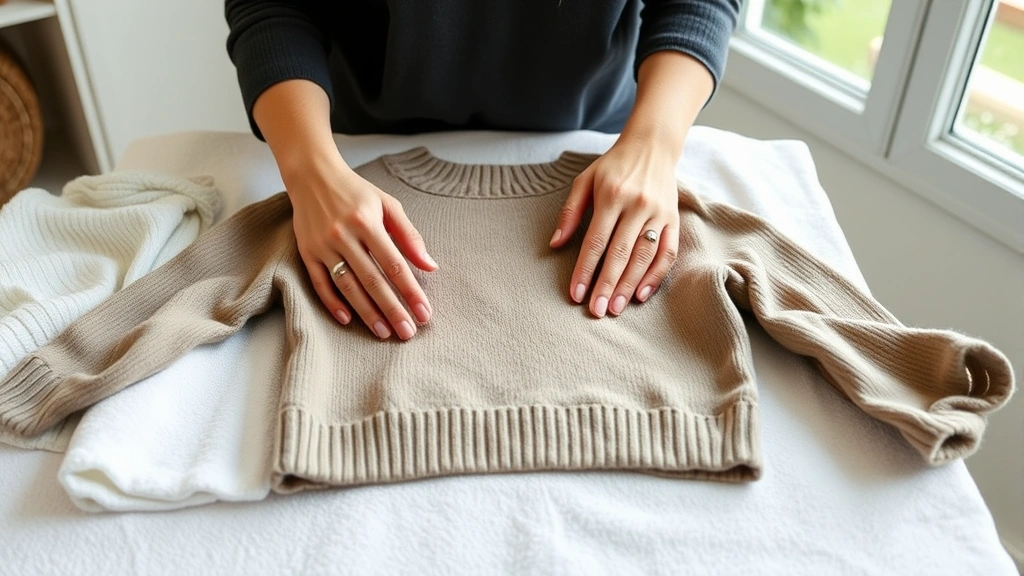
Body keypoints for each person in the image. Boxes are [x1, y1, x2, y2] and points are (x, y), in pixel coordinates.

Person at [225, 0, 740, 341]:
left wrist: (655, 143)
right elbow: (274, 4)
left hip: (610, 146)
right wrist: (310, 172)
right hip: (351, 157)